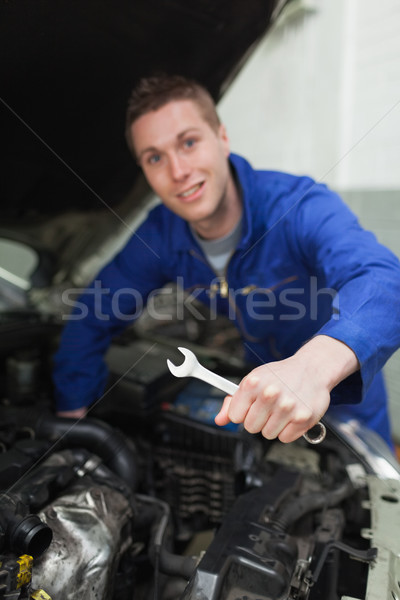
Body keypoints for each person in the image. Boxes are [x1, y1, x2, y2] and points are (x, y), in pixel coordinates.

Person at [53, 74, 400, 448]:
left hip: (344, 396)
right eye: (155, 157)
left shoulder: (297, 205)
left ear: (222, 138)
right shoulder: (160, 235)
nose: (178, 171)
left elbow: (382, 281)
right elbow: (94, 312)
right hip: (261, 397)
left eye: (188, 142)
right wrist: (73, 416)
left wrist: (312, 368)